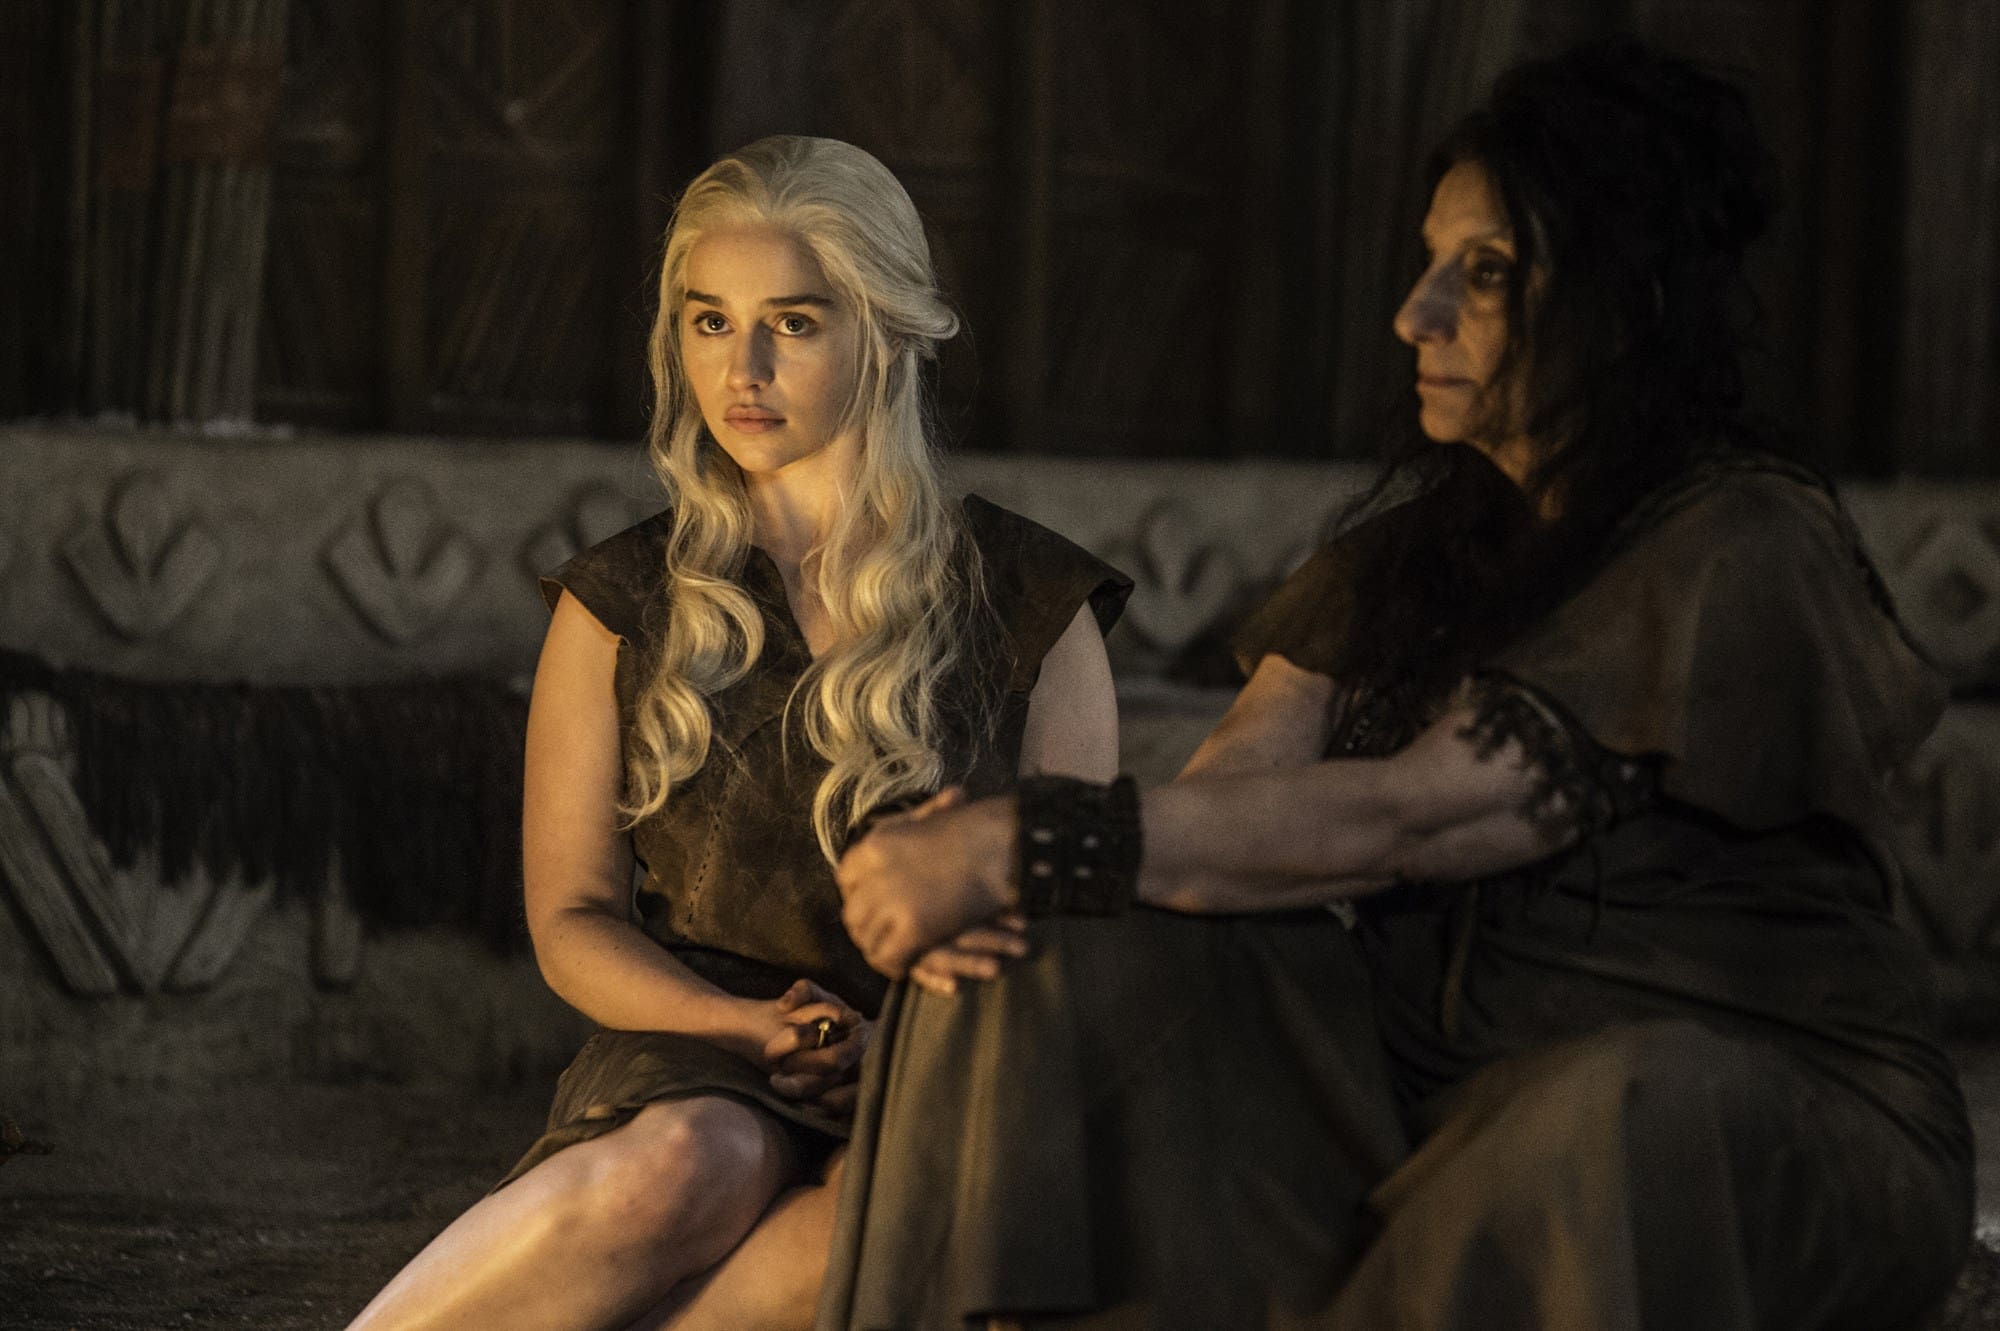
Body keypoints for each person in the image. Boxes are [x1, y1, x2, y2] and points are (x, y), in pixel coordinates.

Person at [827, 41, 1972, 1330]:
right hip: (1429, 1087)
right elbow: (1226, 799)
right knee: (1047, 948)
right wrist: (1007, 881)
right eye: (1429, 264)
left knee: (1609, 1110)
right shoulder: (1415, 551)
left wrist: (1029, 837)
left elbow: (1421, 815)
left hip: (1747, 1105)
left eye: (1482, 273)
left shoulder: (1741, 536)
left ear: (1623, 297)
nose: (1413, 316)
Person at [345, 136, 1128, 1331]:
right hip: (692, 1047)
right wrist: (748, 1025)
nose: (741, 368)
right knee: (696, 1157)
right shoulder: (620, 600)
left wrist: (903, 1042)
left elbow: (1073, 924)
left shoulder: (1033, 602)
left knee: (892, 1211)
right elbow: (571, 916)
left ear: (887, 331)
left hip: (950, 1056)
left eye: (792, 324)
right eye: (709, 321)